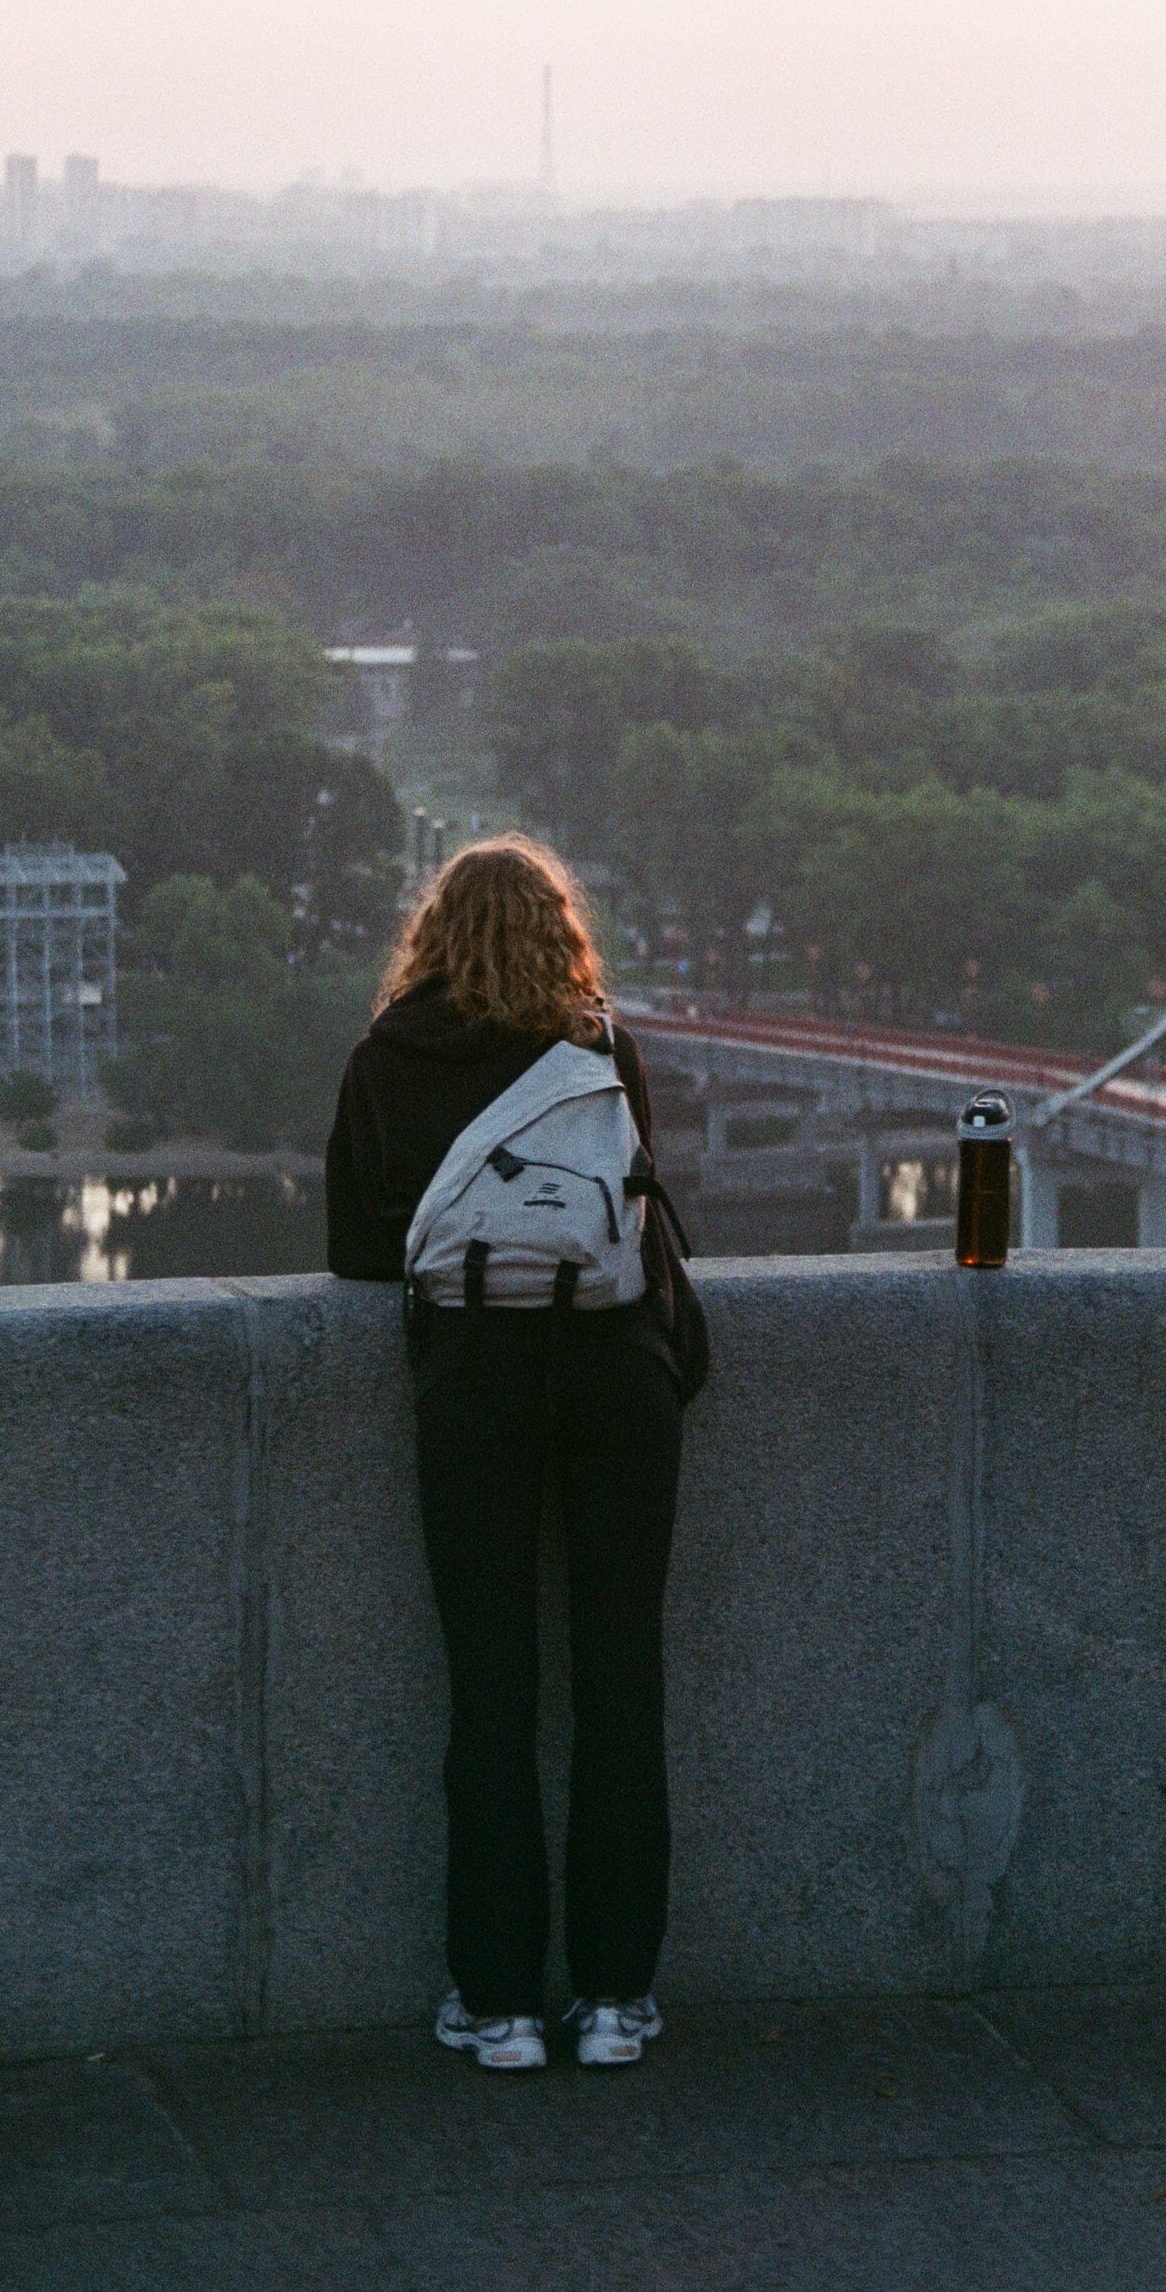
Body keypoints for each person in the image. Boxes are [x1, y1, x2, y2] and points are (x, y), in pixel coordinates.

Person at [327, 833, 684, 2074]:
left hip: (474, 1382)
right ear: (558, 931)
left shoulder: (386, 1059)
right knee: (618, 1681)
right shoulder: (597, 1051)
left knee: (490, 1696)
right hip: (613, 1382)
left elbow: (362, 1252)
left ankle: (499, 2005)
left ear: (430, 933)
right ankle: (615, 2000)